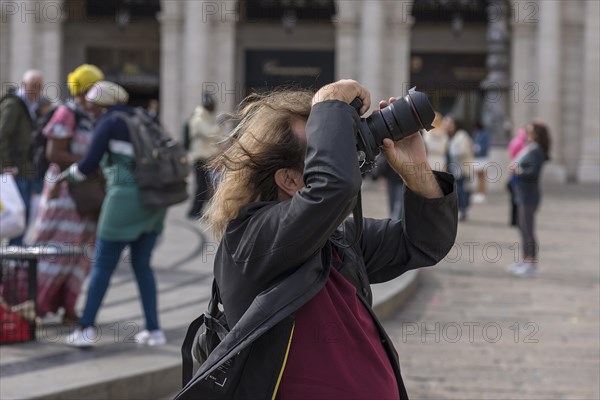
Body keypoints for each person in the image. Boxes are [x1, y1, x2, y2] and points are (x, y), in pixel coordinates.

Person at [176, 80, 458, 399]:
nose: (340, 154)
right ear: (290, 180)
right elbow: (334, 187)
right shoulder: (250, 240)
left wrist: (417, 171)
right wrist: (329, 102)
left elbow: (424, 242)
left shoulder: (336, 242)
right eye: (322, 148)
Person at [57, 81, 167, 347]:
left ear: (102, 105)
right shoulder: (143, 118)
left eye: (92, 106)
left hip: (124, 199)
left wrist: (64, 176)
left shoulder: (109, 122)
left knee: (103, 264)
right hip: (156, 199)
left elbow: (87, 165)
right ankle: (154, 330)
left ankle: (85, 329)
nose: (91, 111)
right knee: (142, 265)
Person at [28, 64, 104, 325]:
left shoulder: (94, 117)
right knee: (55, 251)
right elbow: (54, 154)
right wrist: (88, 162)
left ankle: (68, 307)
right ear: (84, 90)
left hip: (88, 198)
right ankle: (36, 305)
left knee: (82, 254)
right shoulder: (66, 113)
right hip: (65, 195)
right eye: (95, 88)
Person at [0, 70, 43, 245]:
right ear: (25, 86)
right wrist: (6, 165)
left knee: (21, 218)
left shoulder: (30, 107)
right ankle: (13, 262)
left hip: (26, 169)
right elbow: (2, 135)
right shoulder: (14, 105)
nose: (37, 91)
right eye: (34, 87)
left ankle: (15, 262)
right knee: (15, 217)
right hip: (15, 171)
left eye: (39, 87)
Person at [508, 121, 551, 278]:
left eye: (530, 131)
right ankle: (525, 259)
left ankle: (531, 263)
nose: (527, 133)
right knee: (522, 227)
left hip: (529, 195)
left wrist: (518, 170)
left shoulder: (537, 150)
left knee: (528, 229)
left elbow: (533, 172)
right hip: (522, 193)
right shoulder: (530, 147)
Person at [186, 92, 224, 219]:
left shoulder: (205, 117)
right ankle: (193, 212)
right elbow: (209, 133)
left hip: (206, 158)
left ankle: (197, 211)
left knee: (204, 187)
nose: (215, 107)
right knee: (201, 186)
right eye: (213, 104)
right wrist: (219, 126)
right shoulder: (198, 118)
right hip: (200, 158)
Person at [444, 115, 474, 221]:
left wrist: (454, 151)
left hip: (461, 168)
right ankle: (461, 210)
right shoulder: (450, 136)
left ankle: (463, 210)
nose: (448, 126)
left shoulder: (461, 135)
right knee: (458, 190)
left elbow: (464, 150)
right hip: (455, 169)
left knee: (461, 190)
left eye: (450, 123)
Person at [507, 127, 528, 226]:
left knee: (513, 200)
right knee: (518, 199)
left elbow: (510, 153)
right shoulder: (523, 145)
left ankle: (513, 221)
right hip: (518, 172)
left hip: (513, 170)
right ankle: (518, 220)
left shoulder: (514, 142)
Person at [471, 121, 490, 204]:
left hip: (482, 157)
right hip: (477, 157)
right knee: (478, 176)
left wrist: (478, 148)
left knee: (482, 177)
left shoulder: (485, 133)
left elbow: (485, 145)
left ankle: (482, 193)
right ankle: (479, 192)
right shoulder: (476, 132)